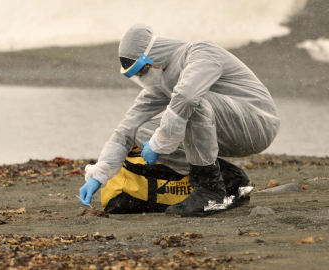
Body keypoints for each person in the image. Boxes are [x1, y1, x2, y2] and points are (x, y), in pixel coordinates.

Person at [78, 23, 280, 217]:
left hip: (259, 124)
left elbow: (187, 98)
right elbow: (128, 126)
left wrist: (159, 143)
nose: (141, 78)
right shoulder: (162, 81)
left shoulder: (201, 53)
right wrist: (99, 174)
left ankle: (210, 192)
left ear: (152, 55)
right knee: (141, 130)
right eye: (135, 75)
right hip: (228, 130)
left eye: (141, 71)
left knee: (189, 102)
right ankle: (228, 179)